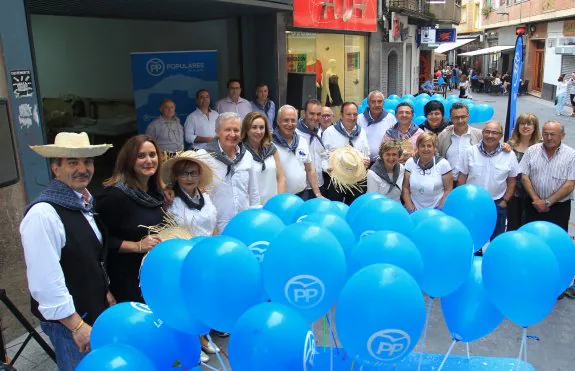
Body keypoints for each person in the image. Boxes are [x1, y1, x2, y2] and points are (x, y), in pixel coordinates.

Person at [21, 132, 113, 370]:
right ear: (55, 168)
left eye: (88, 162)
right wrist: (76, 326)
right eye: (72, 162)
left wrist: (105, 291)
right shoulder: (43, 214)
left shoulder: (83, 202)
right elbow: (44, 282)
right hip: (71, 323)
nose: (82, 169)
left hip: (91, 310)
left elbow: (90, 257)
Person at [160, 150, 218, 362]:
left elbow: (213, 224)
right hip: (184, 256)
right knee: (187, 301)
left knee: (204, 297)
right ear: (176, 176)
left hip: (206, 254)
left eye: (193, 173)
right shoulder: (171, 200)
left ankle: (204, 336)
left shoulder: (206, 196)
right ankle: (195, 342)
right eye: (184, 173)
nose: (189, 177)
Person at [95, 135, 165, 303]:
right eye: (141, 156)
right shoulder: (114, 196)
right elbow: (99, 239)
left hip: (152, 274)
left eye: (152, 154)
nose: (149, 160)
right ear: (129, 160)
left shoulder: (156, 193)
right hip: (126, 279)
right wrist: (136, 246)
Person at [457, 121, 519, 240]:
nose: (490, 136)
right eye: (487, 132)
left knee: (497, 240)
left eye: (494, 133)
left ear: (500, 136)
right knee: (472, 239)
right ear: (483, 133)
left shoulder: (509, 155)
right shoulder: (470, 152)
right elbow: (462, 178)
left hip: (497, 204)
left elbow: (512, 181)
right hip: (473, 204)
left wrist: (504, 201)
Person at [205, 112, 260, 231]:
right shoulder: (204, 157)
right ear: (217, 131)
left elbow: (253, 193)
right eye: (227, 130)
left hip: (244, 225)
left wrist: (255, 222)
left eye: (236, 130)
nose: (232, 134)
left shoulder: (247, 156)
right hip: (216, 228)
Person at [520, 121, 575, 232]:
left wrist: (547, 202)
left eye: (553, 134)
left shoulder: (571, 155)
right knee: (531, 237)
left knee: (556, 240)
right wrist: (536, 200)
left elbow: (570, 184)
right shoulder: (532, 151)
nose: (549, 138)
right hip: (533, 205)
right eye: (546, 134)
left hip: (559, 207)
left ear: (562, 136)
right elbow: (524, 176)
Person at [322, 102, 370, 204]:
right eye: (348, 114)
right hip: (335, 181)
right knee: (336, 208)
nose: (352, 117)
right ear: (341, 115)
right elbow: (323, 156)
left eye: (355, 114)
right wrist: (326, 168)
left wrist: (367, 161)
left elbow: (366, 153)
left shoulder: (362, 133)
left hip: (357, 181)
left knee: (355, 208)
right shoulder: (329, 132)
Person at [273, 105, 324, 198]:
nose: (290, 124)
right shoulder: (270, 144)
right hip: (280, 198)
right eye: (286, 120)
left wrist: (318, 194)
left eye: (293, 120)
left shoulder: (301, 141)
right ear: (278, 121)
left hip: (302, 195)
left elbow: (310, 169)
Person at [242, 111, 286, 204]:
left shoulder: (272, 149)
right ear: (246, 129)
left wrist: (279, 201)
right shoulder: (240, 152)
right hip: (252, 207)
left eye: (262, 127)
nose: (258, 131)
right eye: (254, 127)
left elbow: (280, 177)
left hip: (273, 205)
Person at [506, 113, 541, 230]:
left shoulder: (541, 146)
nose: (525, 126)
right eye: (522, 123)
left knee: (530, 227)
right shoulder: (509, 145)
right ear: (517, 126)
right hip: (513, 194)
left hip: (533, 195)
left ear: (535, 127)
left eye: (529, 124)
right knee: (513, 225)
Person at [402, 132, 453, 212]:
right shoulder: (410, 163)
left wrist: (440, 208)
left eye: (429, 146)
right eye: (422, 146)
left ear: (434, 148)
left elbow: (448, 189)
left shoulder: (443, 164)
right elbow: (405, 188)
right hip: (414, 210)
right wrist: (410, 208)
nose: (426, 149)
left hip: (436, 210)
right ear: (418, 147)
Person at [438, 102, 482, 186]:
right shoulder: (443, 136)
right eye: (456, 117)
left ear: (468, 116)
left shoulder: (479, 135)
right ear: (451, 118)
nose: (460, 121)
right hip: (448, 183)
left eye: (463, 117)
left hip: (472, 183)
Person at [296, 99, 326, 199]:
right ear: (304, 114)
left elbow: (320, 155)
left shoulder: (318, 131)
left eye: (318, 114)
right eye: (312, 114)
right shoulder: (295, 134)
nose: (315, 117)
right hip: (303, 189)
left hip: (320, 184)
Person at [357, 90, 397, 163]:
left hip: (385, 163)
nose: (376, 104)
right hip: (363, 162)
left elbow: (395, 140)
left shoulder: (390, 118)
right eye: (373, 102)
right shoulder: (359, 119)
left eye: (379, 101)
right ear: (368, 103)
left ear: (383, 103)